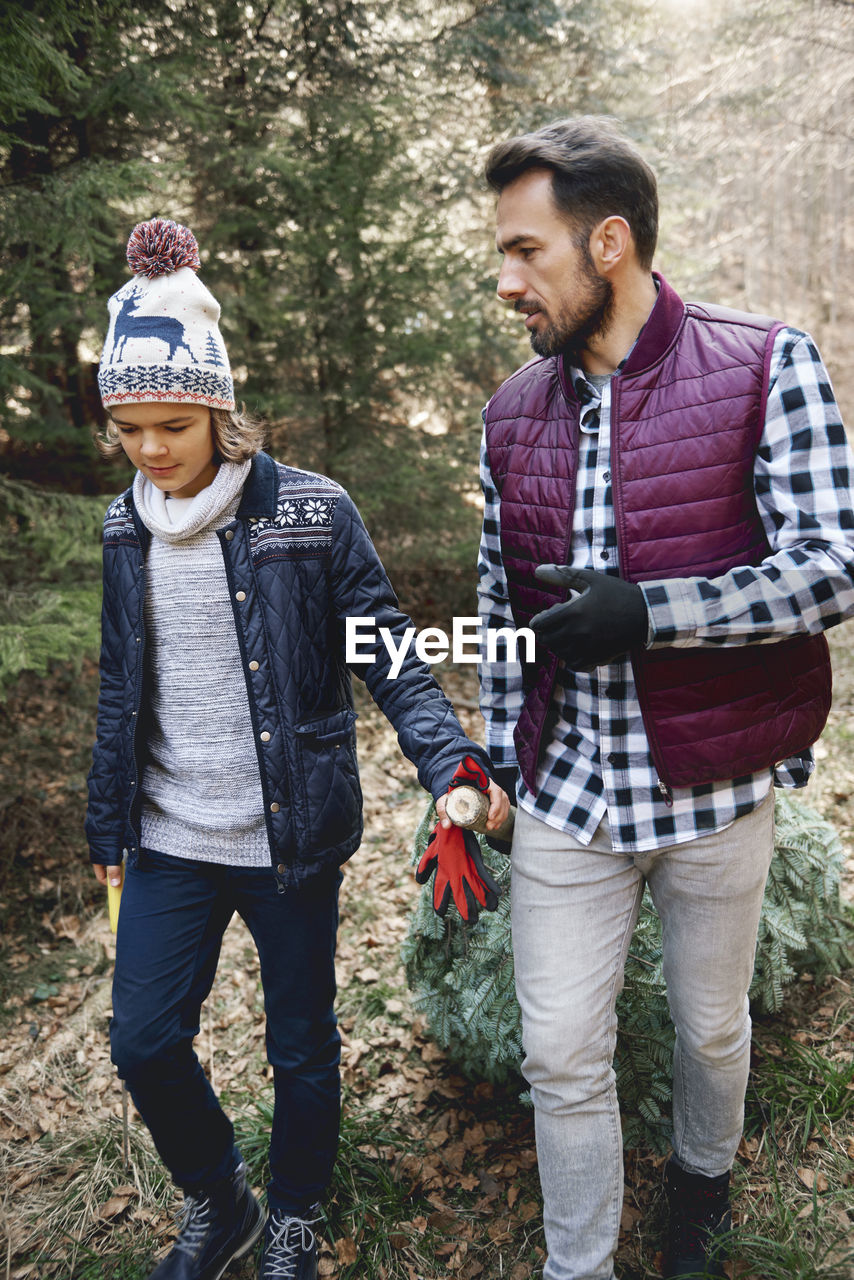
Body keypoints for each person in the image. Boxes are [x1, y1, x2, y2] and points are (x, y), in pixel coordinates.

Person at [86, 217, 508, 1280]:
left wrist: (450, 759)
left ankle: (293, 1214)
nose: (150, 449)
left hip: (288, 836)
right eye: (129, 427)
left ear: (218, 406)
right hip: (171, 838)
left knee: (300, 1047)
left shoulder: (311, 515)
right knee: (141, 1037)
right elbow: (120, 687)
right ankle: (218, 1195)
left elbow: (392, 655)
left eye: (171, 422)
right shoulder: (119, 530)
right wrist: (105, 821)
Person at [476, 117, 854, 1280]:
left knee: (708, 1026)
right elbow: (498, 602)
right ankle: (576, 1265)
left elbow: (830, 563)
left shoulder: (762, 362)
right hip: (566, 796)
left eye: (524, 251)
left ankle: (701, 1184)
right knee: (558, 1051)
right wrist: (491, 758)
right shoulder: (508, 412)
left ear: (607, 243)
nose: (504, 282)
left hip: (715, 780)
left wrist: (653, 611)